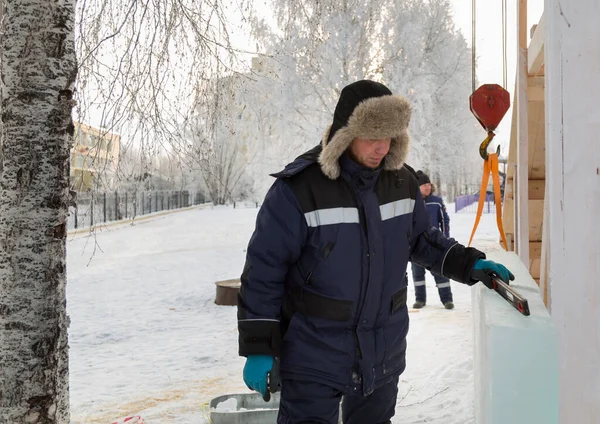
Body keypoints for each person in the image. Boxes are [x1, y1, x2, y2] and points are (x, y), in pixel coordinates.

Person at [237, 79, 514, 424]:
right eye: (372, 136)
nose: (382, 148)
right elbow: (265, 269)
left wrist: (469, 263)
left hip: (383, 351)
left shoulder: (401, 182)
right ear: (345, 134)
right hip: (314, 355)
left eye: (390, 137)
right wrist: (259, 346)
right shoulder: (299, 190)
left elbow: (421, 240)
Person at [411, 170, 454, 310]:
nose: (428, 187)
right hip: (416, 244)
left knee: (440, 272)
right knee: (417, 274)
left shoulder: (436, 202)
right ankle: (420, 299)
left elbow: (444, 220)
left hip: (434, 244)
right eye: (424, 185)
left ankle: (447, 299)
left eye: (429, 184)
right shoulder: (412, 202)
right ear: (418, 187)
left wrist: (445, 237)